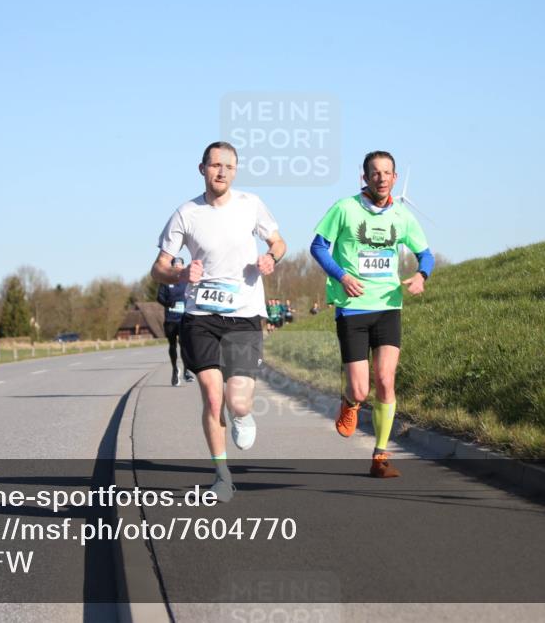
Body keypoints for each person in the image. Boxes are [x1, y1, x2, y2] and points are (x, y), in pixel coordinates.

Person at [151, 141, 286, 502]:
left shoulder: (250, 205)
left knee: (237, 402)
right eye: (214, 165)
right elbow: (159, 267)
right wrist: (179, 274)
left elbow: (278, 241)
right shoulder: (186, 213)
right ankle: (222, 476)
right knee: (213, 398)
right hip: (201, 317)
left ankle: (241, 415)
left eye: (228, 166)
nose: (221, 171)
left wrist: (271, 257)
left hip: (243, 316)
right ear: (202, 169)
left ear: (235, 170)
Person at [309, 150, 435, 478]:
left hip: (389, 306)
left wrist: (421, 275)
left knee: (386, 379)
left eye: (387, 172)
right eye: (374, 173)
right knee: (362, 390)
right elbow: (318, 246)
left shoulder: (403, 216)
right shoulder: (345, 208)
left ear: (394, 178)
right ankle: (350, 402)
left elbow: (426, 254)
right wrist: (342, 276)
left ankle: (380, 456)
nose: (381, 178)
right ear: (365, 178)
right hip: (352, 308)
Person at [156, 257, 194, 386]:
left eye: (180, 265)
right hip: (171, 319)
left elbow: (193, 296)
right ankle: (174, 369)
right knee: (173, 346)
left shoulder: (188, 281)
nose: (178, 267)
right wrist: (168, 303)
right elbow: (159, 297)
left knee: (184, 345)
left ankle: (186, 371)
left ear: (183, 267)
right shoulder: (166, 282)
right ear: (171, 267)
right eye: (175, 265)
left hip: (184, 318)